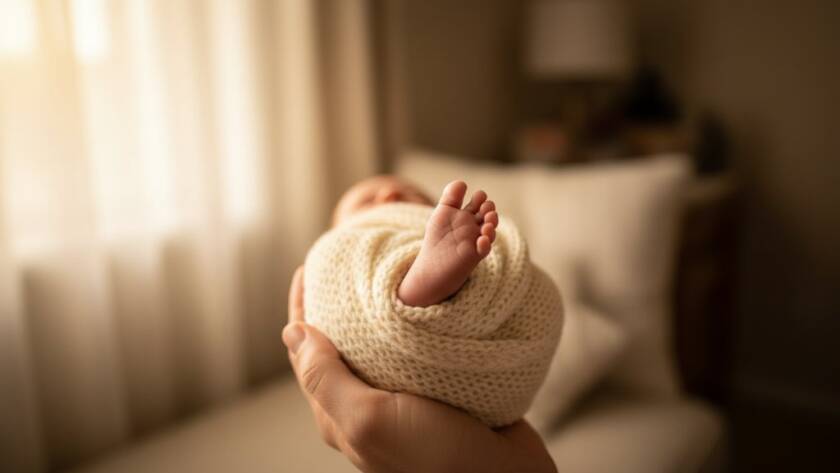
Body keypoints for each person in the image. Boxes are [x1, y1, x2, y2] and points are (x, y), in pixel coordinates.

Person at [283, 266, 559, 473]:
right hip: (403, 358)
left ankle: (427, 285)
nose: (388, 194)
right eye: (365, 199)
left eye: (415, 198)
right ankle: (420, 287)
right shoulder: (347, 254)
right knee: (392, 280)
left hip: (477, 358)